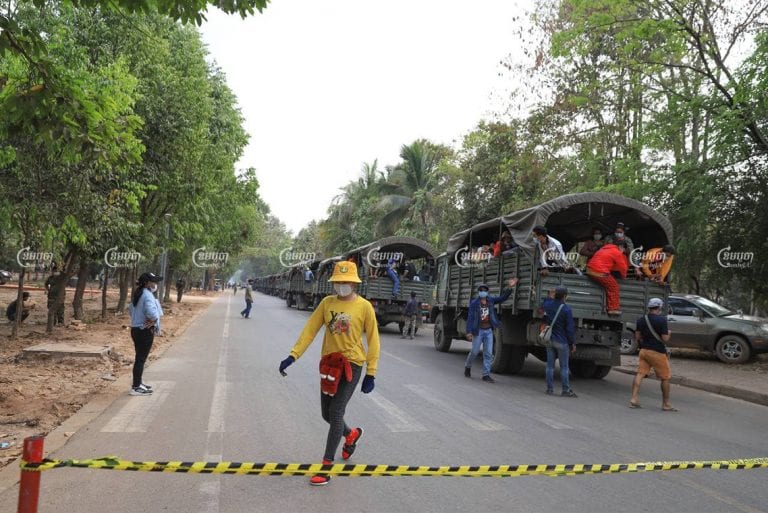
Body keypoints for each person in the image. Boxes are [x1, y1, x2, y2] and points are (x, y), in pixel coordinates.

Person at [278, 260, 380, 486]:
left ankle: (326, 467)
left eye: (347, 282)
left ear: (354, 284)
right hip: (329, 365)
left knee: (335, 413)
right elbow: (310, 331)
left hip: (351, 365)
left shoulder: (364, 307)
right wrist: (293, 356)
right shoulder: (326, 303)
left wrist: (370, 372)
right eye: (339, 281)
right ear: (334, 283)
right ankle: (350, 434)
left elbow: (374, 340)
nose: (342, 285)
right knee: (327, 414)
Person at [464, 277, 519, 382]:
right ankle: (468, 366)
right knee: (474, 352)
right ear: (478, 292)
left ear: (487, 292)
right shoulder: (474, 303)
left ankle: (486, 374)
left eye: (484, 290)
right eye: (481, 290)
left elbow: (503, 298)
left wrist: (510, 287)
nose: (483, 292)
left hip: (488, 331)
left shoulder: (491, 301)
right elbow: (470, 318)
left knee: (488, 353)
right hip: (478, 331)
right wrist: (469, 332)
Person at [629, 297, 677, 411]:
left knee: (640, 374)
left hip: (644, 351)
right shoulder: (662, 320)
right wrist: (669, 334)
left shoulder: (641, 319)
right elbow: (665, 339)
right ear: (660, 307)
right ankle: (666, 404)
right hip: (657, 353)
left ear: (650, 307)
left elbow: (637, 337)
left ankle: (634, 399)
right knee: (665, 378)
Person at [128, 272, 162, 396]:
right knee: (140, 359)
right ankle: (136, 387)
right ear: (147, 283)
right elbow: (152, 313)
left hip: (136, 329)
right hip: (144, 331)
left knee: (139, 358)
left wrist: (139, 318)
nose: (155, 284)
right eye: (153, 281)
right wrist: (153, 320)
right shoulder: (147, 295)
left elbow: (130, 310)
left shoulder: (139, 293)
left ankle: (138, 383)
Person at [541, 286, 577, 397]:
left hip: (550, 340)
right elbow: (570, 329)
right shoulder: (566, 309)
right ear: (565, 296)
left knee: (550, 366)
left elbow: (545, 302)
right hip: (562, 342)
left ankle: (549, 389)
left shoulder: (548, 305)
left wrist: (550, 296)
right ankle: (565, 390)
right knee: (564, 367)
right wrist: (572, 343)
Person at [586, 239, 628, 315]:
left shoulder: (604, 248)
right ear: (621, 247)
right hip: (599, 272)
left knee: (608, 283)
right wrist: (623, 277)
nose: (623, 252)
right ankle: (613, 309)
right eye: (624, 250)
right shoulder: (617, 252)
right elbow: (623, 267)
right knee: (613, 286)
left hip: (590, 270)